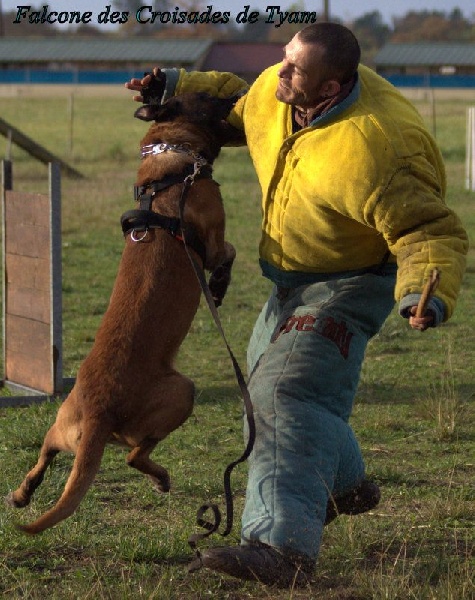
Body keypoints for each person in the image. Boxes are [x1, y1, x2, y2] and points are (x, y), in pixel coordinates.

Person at [126, 22, 468, 587]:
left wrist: (422, 294)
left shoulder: (380, 146)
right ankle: (345, 483)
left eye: (295, 70)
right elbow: (239, 104)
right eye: (282, 60)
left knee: (283, 394)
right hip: (289, 279)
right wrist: (177, 88)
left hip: (352, 282)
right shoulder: (278, 88)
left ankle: (280, 548)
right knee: (266, 393)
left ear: (331, 88)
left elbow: (428, 230)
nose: (280, 74)